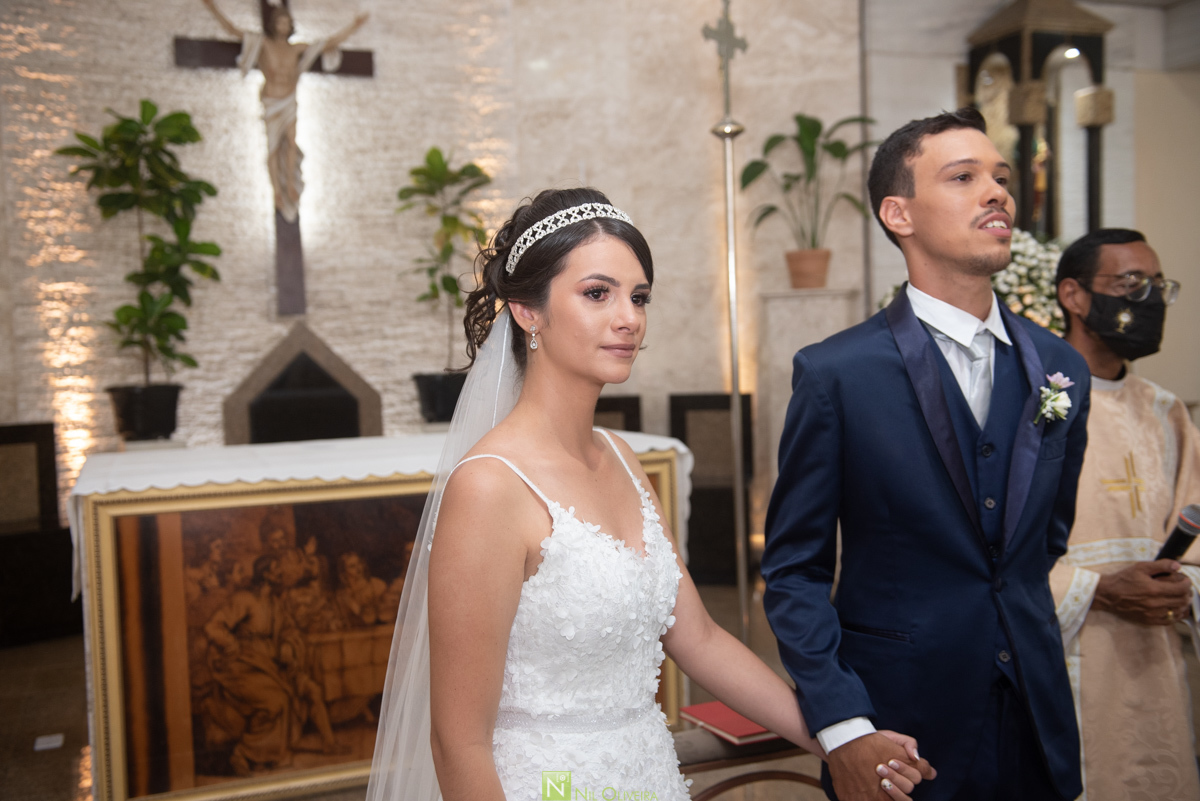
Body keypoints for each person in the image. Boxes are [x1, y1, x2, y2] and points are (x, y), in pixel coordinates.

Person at [366, 188, 934, 801]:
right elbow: (459, 743)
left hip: (648, 777)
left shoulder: (622, 458)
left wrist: (839, 738)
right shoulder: (488, 487)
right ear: (527, 312)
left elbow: (700, 640)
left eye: (638, 297)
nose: (628, 317)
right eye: (597, 293)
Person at [763, 108, 1090, 801]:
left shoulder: (1062, 368)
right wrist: (845, 723)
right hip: (898, 728)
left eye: (1000, 177)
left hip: (1037, 719)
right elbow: (793, 568)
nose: (998, 191)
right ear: (899, 213)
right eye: (964, 176)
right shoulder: (837, 374)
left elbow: (1045, 537)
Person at [1052, 228, 1200, 799]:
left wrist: (1181, 585)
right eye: (1131, 283)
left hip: (1157, 658)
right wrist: (1097, 590)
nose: (1151, 300)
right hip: (1071, 656)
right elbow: (994, 545)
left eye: (1159, 285)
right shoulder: (1040, 402)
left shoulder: (1165, 412)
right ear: (1074, 295)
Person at [199, 0, 368, 222]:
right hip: (272, 101)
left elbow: (327, 44)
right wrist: (212, 8)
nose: (284, 26)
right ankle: (276, 191)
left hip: (289, 100)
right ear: (273, 25)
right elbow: (232, 30)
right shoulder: (265, 44)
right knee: (273, 147)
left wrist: (354, 26)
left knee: (290, 141)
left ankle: (289, 183)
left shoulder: (296, 48)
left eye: (287, 22)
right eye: (280, 22)